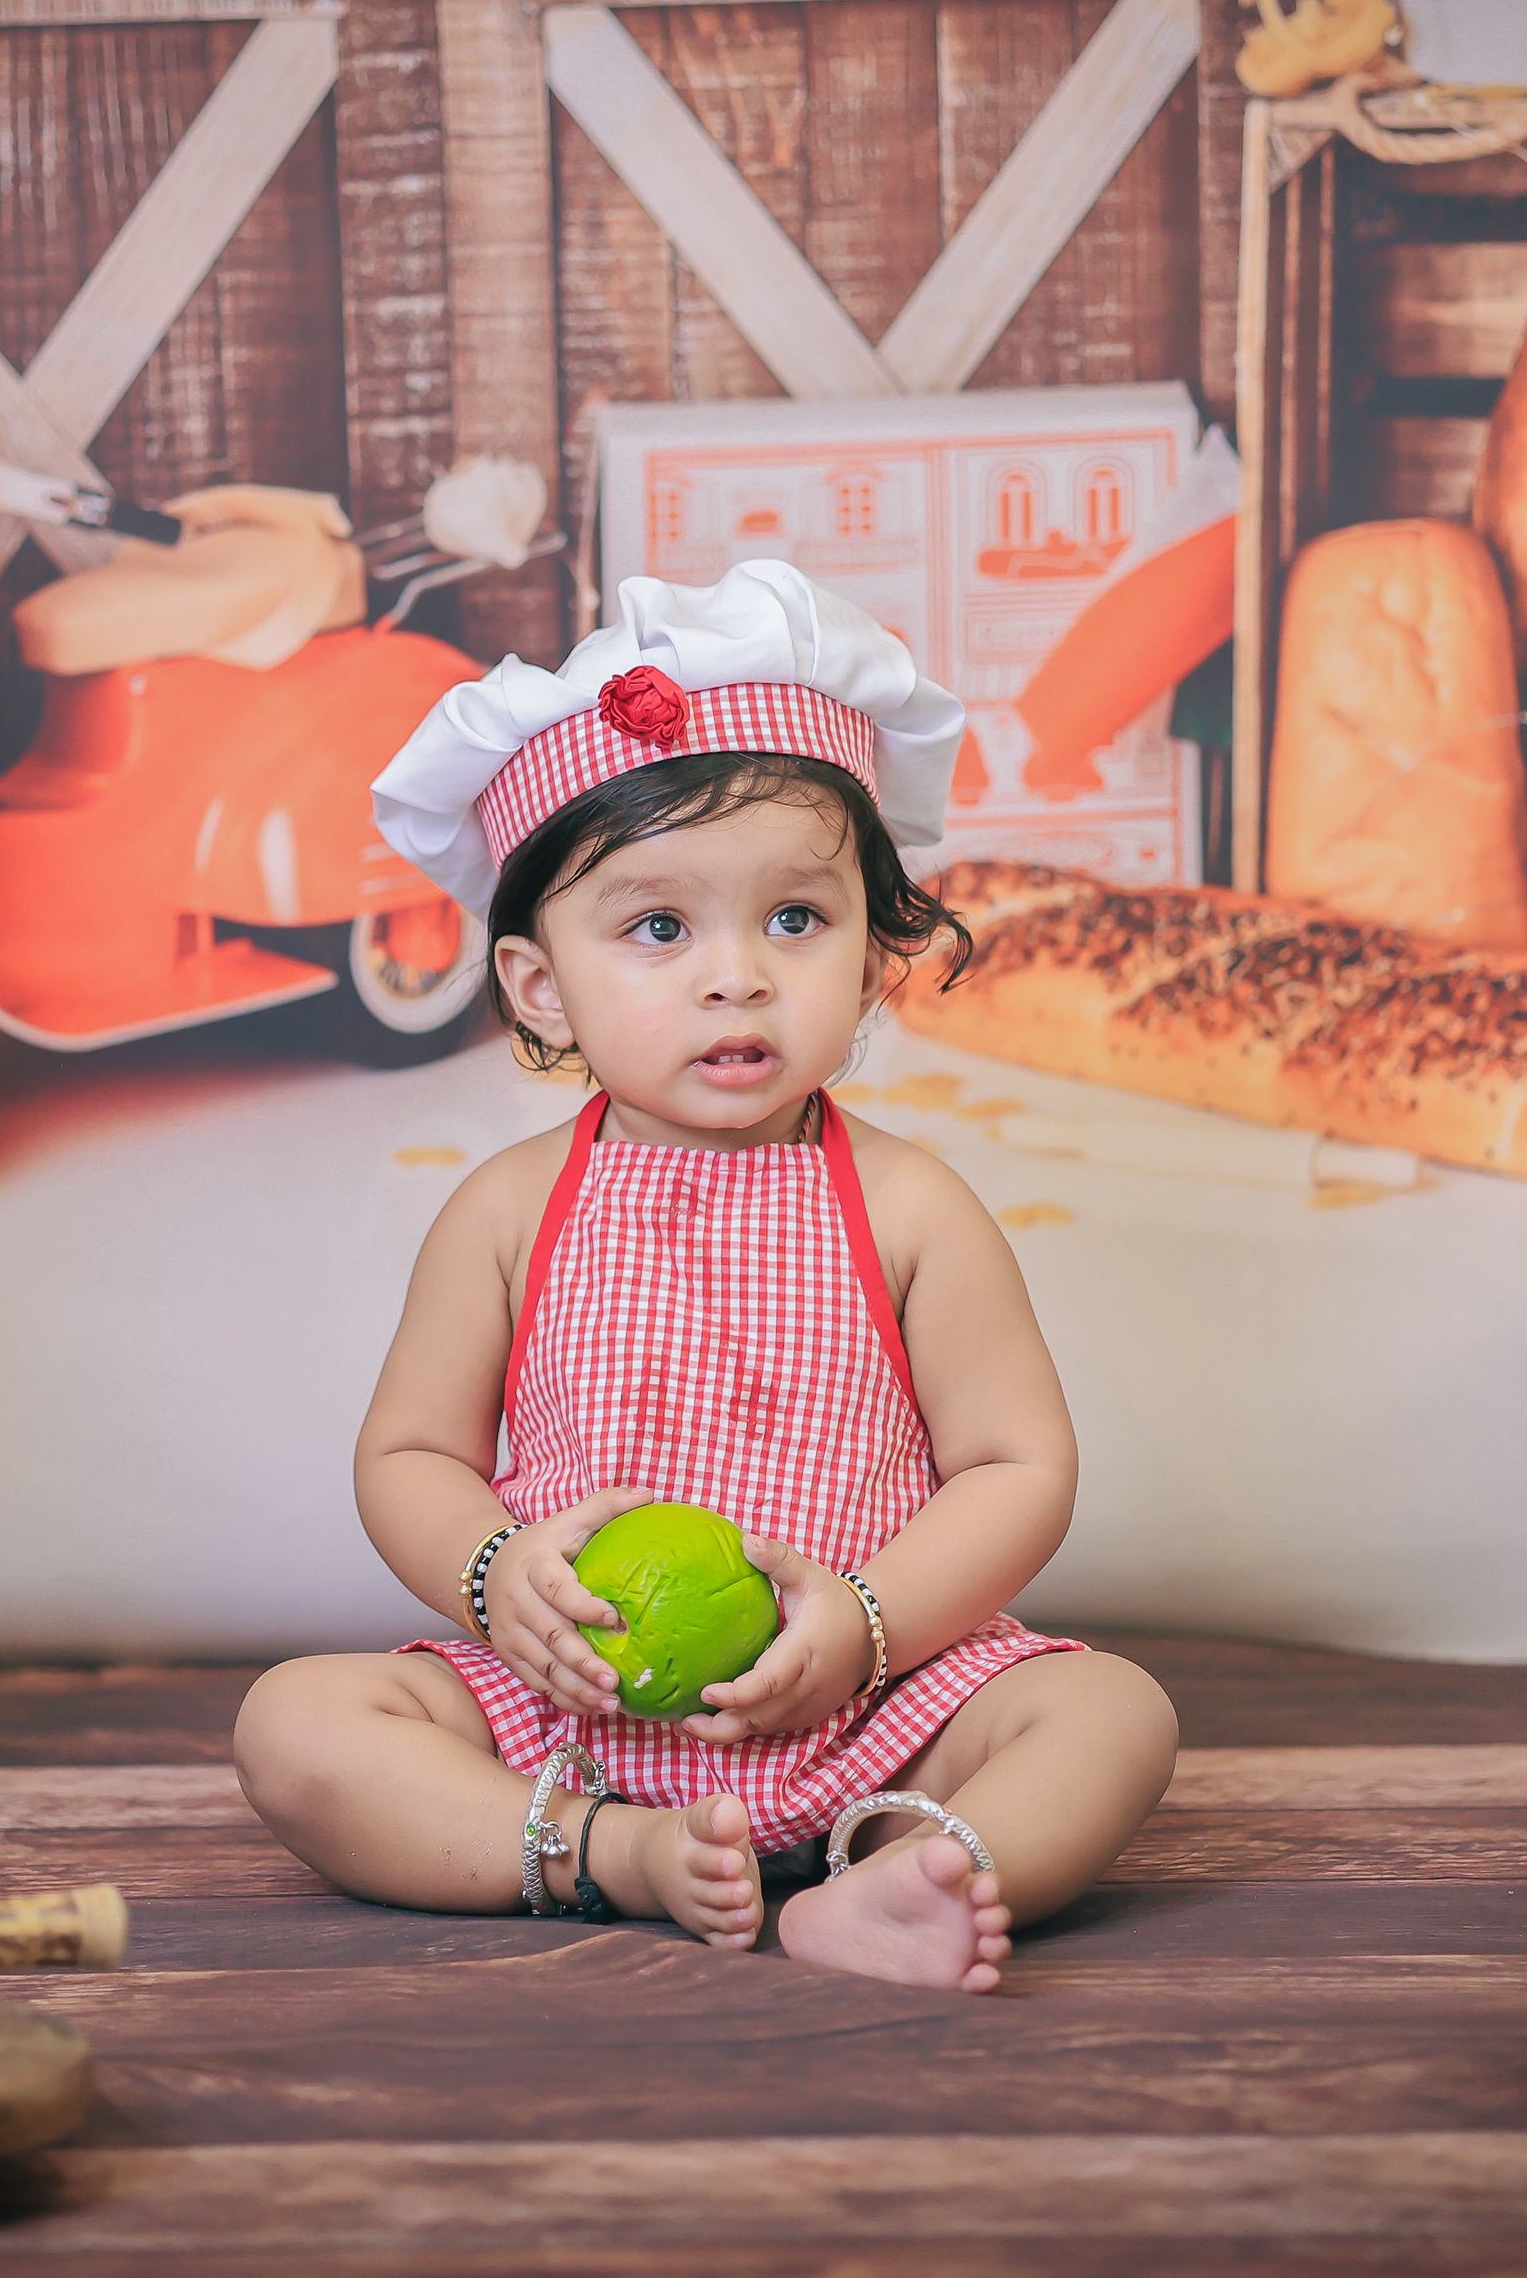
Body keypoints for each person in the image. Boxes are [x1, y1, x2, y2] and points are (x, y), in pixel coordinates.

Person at [233, 562, 1177, 1994]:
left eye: (795, 919)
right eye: (659, 929)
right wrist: (496, 1579)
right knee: (296, 1727)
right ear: (540, 986)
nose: (737, 978)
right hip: (568, 1709)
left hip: (875, 1698)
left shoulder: (913, 1209)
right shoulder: (507, 1212)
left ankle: (904, 1865)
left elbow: (1017, 1467)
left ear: (875, 953)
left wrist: (869, 1624)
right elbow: (411, 1453)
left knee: (1115, 1714)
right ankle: (609, 1851)